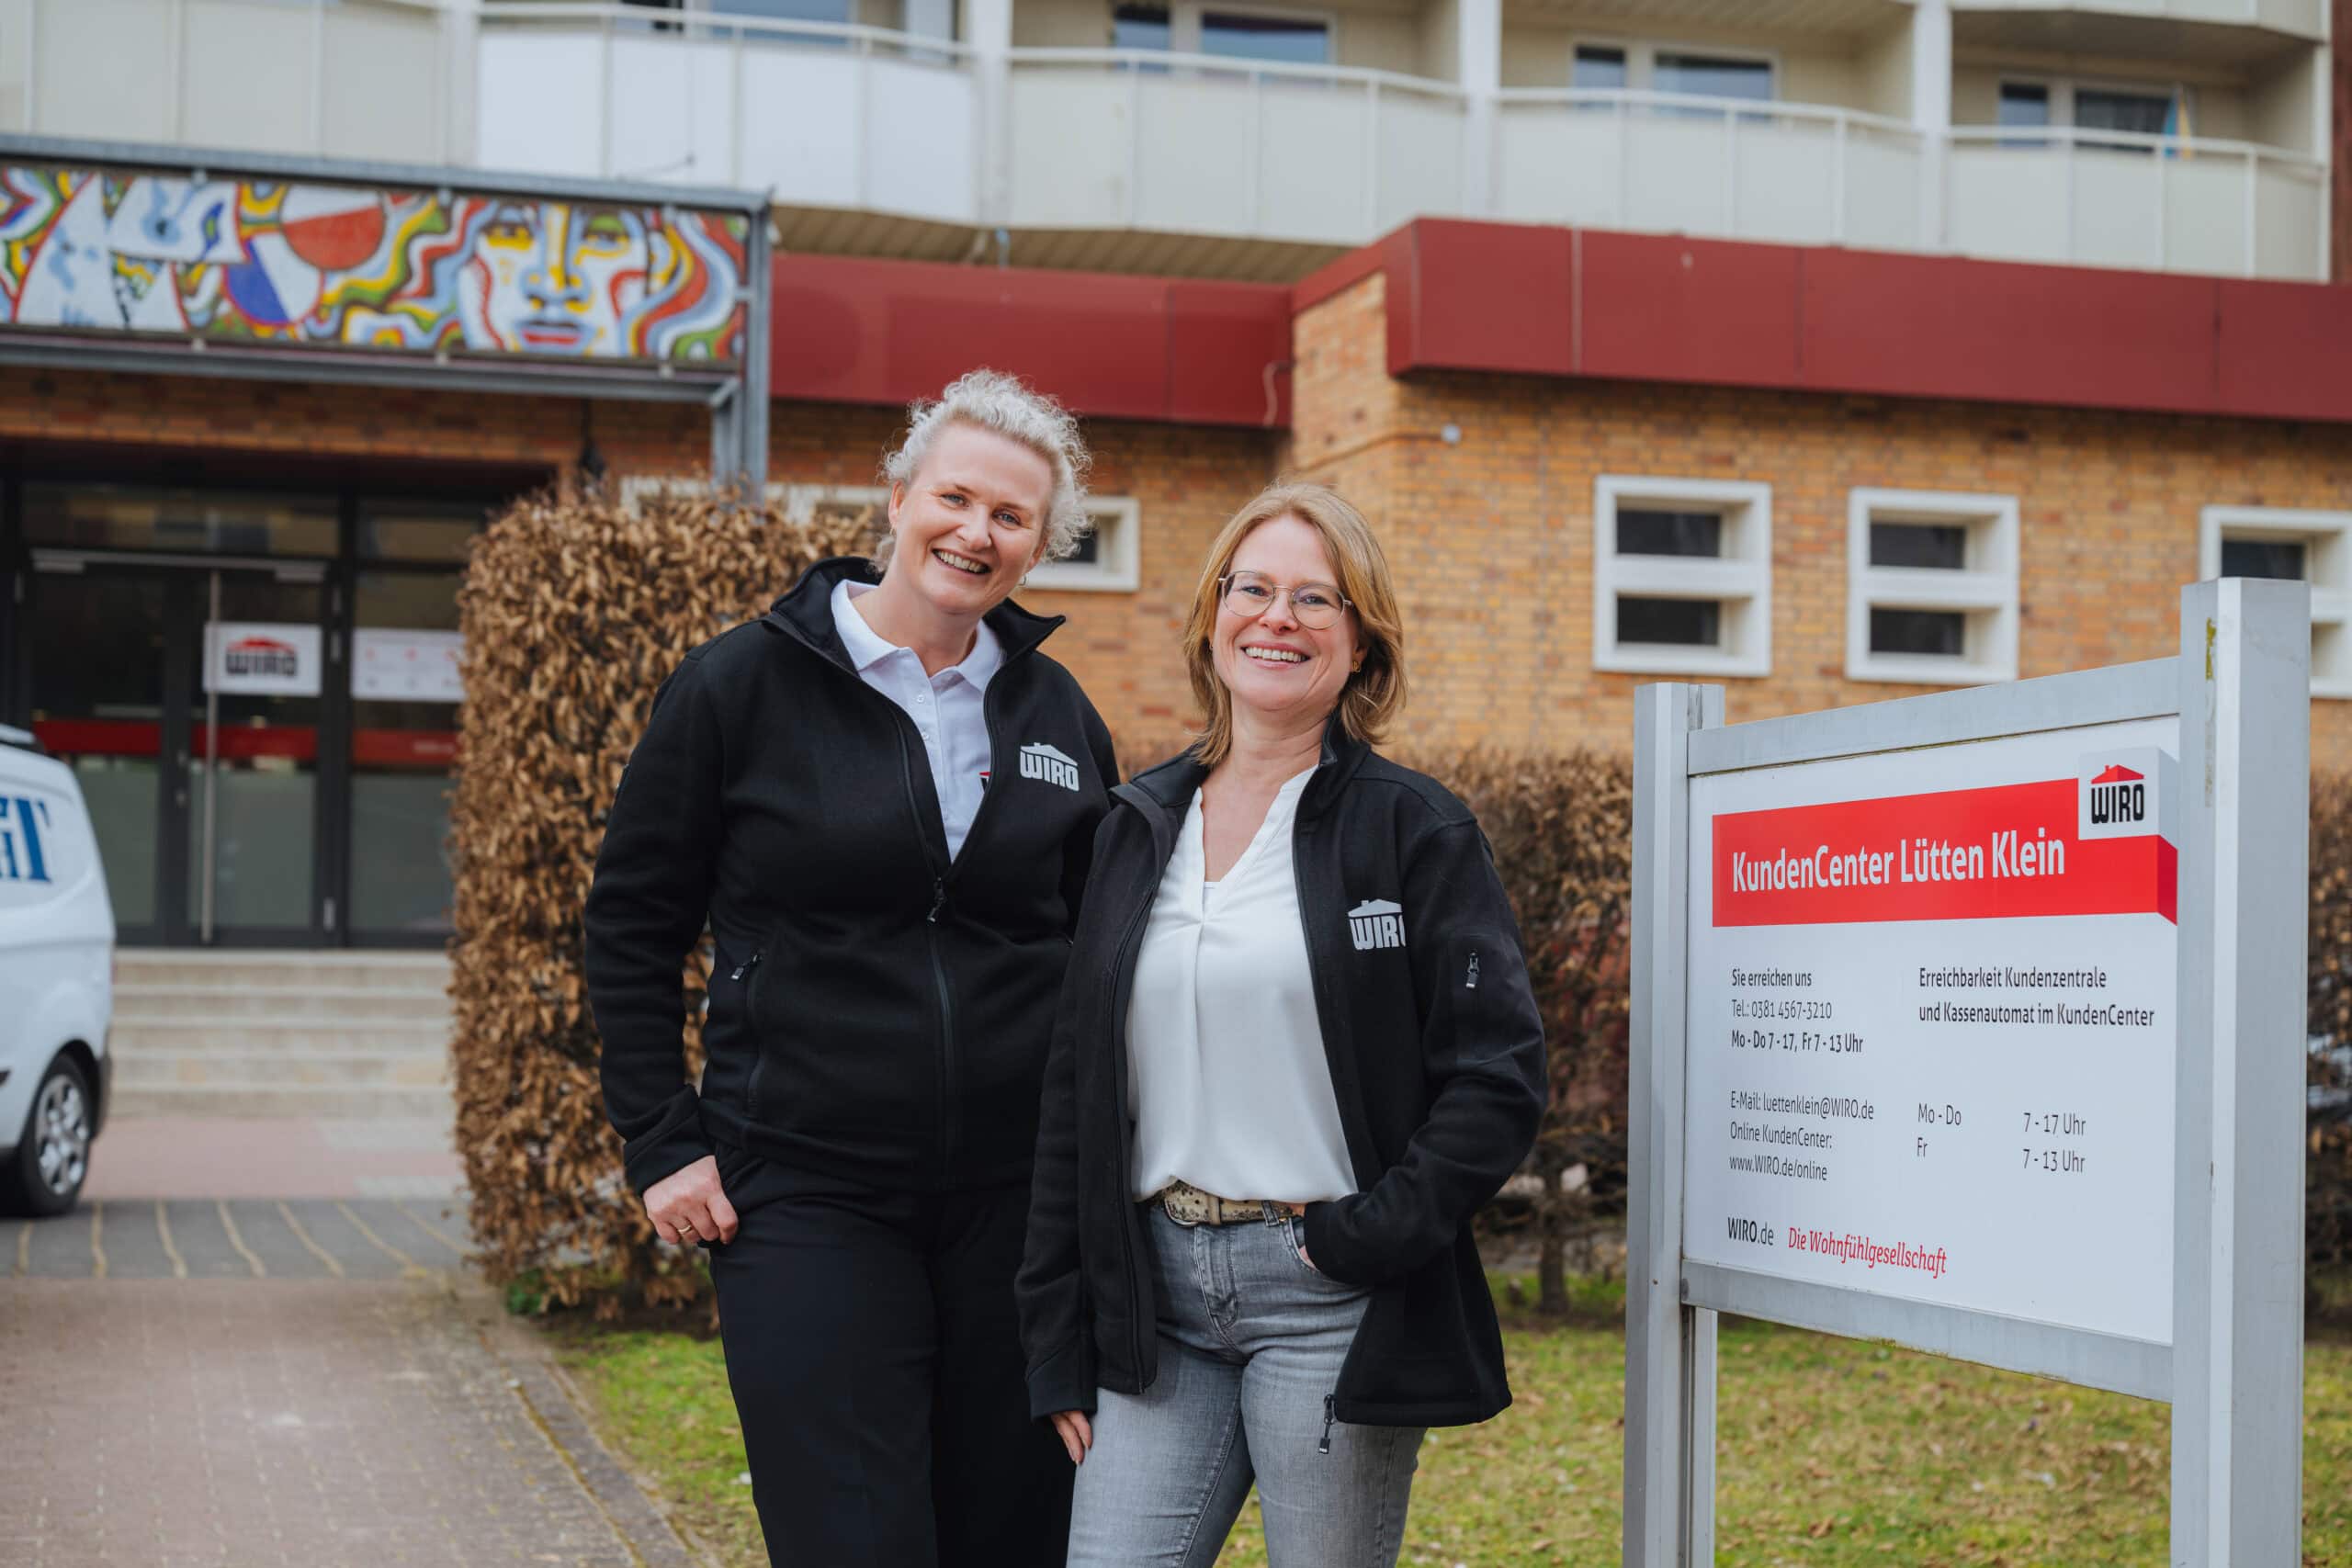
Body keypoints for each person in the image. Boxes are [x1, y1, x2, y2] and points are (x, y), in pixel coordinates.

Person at [584, 369, 1117, 1568]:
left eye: (1013, 517)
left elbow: (1096, 953)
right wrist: (663, 1136)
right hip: (807, 1190)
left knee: (1012, 1536)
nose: (977, 532)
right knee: (854, 1538)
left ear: (1039, 545)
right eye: (957, 497)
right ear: (898, 497)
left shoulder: (1057, 715)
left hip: (1010, 1208)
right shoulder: (741, 686)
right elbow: (631, 919)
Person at [1016, 480, 1546, 1567]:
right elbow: (1076, 1089)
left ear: (1360, 644)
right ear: (1212, 617)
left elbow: (1497, 1076)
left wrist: (1359, 1237)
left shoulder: (1414, 831)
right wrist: (1056, 1329)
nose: (1278, 618)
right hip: (1153, 1302)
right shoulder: (1134, 823)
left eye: (1317, 599)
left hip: (1327, 1298)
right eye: (1251, 588)